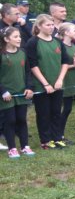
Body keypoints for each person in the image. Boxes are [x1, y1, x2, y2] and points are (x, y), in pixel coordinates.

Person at [26, 15, 70, 150]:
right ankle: (45, 140)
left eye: (52, 25)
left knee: (56, 111)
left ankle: (57, 138)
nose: (51, 27)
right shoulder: (33, 42)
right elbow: (33, 65)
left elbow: (65, 62)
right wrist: (45, 84)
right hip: (41, 85)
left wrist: (60, 80)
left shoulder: (58, 42)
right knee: (43, 113)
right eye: (47, 25)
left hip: (57, 84)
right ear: (39, 26)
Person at [0, 27, 36, 158]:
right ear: (6, 39)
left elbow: (27, 72)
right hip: (7, 95)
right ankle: (12, 148)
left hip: (21, 93)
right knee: (10, 120)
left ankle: (25, 146)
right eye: (15, 37)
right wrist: (3, 91)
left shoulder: (23, 52)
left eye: (19, 36)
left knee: (21, 119)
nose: (19, 39)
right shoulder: (1, 54)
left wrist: (29, 87)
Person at [55, 23, 75, 142]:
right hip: (67, 80)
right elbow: (58, 66)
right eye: (74, 30)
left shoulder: (73, 45)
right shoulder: (59, 46)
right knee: (67, 108)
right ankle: (60, 135)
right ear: (66, 33)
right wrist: (73, 65)